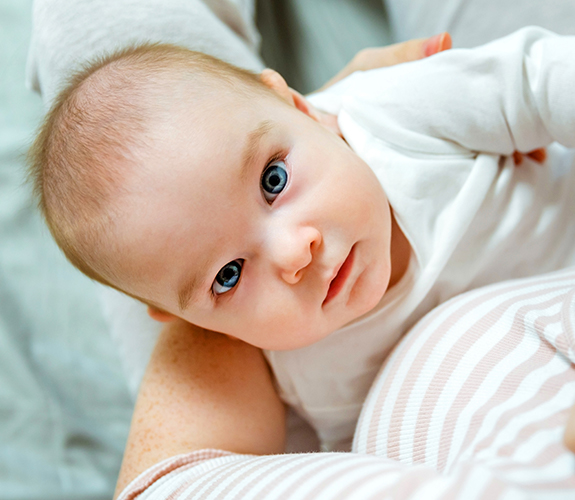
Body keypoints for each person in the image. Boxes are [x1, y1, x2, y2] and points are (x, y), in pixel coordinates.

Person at [29, 18, 575, 459]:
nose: (295, 254)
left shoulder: (391, 115)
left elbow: (536, 79)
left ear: (300, 107)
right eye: (229, 275)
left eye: (274, 181)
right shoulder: (283, 376)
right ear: (188, 322)